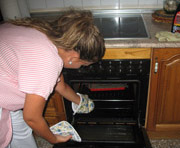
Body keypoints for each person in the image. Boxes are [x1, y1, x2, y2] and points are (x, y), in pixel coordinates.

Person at [0, 8, 105, 148]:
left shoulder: (48, 36)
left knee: (20, 130)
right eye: (84, 65)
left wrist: (80, 101)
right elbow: (32, 118)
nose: (82, 68)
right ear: (74, 58)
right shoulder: (48, 62)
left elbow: (60, 85)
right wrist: (53, 139)